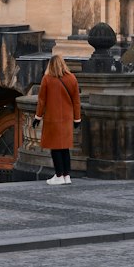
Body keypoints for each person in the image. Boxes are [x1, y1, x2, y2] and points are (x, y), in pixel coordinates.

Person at [33, 53, 81, 186]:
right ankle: (67, 175)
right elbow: (76, 101)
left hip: (52, 119)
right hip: (67, 119)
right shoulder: (72, 78)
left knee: (55, 148)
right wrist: (77, 119)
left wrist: (38, 116)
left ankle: (59, 175)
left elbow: (41, 101)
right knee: (65, 148)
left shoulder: (47, 79)